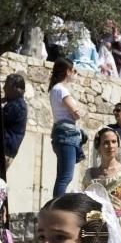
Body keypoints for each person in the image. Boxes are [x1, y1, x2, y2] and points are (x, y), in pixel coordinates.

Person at [48, 58, 84, 197]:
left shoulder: (55, 89)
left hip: (61, 133)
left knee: (62, 176)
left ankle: (57, 205)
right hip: (67, 134)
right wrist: (79, 111)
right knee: (66, 177)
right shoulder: (61, 90)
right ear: (67, 72)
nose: (75, 74)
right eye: (74, 70)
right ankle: (58, 207)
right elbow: (76, 113)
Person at [2, 73, 28, 166]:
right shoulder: (14, 103)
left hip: (5, 150)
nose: (4, 88)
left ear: (16, 89)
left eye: (7, 86)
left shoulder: (17, 106)